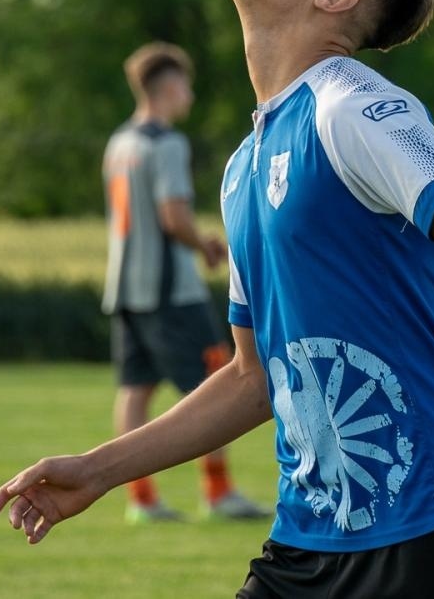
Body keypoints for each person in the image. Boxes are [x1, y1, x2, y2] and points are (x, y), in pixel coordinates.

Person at [0, 0, 434, 597]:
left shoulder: (356, 107)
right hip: (307, 542)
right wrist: (97, 469)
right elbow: (254, 379)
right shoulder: (245, 164)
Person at [102, 42, 269, 523]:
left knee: (135, 388)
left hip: (124, 288)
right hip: (169, 290)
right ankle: (218, 493)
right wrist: (207, 245)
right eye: (186, 85)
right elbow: (173, 217)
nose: (189, 95)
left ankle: (141, 500)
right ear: (169, 87)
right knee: (217, 379)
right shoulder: (167, 143)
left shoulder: (120, 143)